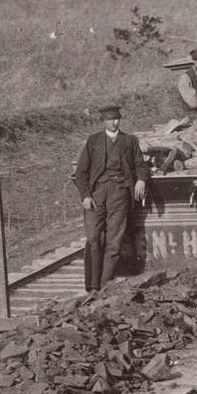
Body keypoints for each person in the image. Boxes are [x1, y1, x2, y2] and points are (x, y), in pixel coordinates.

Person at [74, 106, 150, 293]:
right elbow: (81, 172)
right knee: (93, 238)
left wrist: (141, 180)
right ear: (103, 122)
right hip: (97, 194)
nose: (114, 123)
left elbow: (140, 165)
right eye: (110, 120)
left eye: (116, 119)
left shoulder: (130, 141)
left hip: (120, 193)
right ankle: (92, 286)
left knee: (114, 241)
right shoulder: (93, 142)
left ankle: (104, 285)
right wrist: (85, 196)